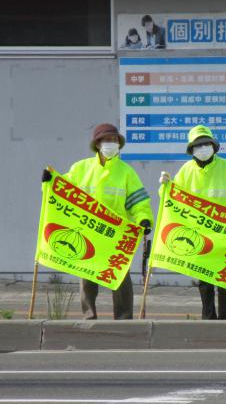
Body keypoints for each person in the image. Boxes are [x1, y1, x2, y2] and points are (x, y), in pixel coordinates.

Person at [42, 123, 153, 320]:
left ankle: (124, 318)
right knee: (86, 276)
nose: (111, 143)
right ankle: (89, 316)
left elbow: (139, 202)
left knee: (119, 278)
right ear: (97, 144)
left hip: (115, 236)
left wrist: (144, 219)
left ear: (118, 144)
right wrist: (49, 181)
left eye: (114, 140)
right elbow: (61, 191)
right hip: (87, 233)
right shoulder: (80, 168)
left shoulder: (126, 172)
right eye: (106, 140)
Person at [160, 125, 226, 320]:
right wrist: (166, 187)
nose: (202, 148)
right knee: (204, 282)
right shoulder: (186, 171)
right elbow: (172, 199)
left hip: (225, 235)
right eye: (198, 145)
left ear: (213, 145)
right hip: (199, 237)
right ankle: (208, 319)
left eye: (206, 144)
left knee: (225, 281)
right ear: (191, 149)